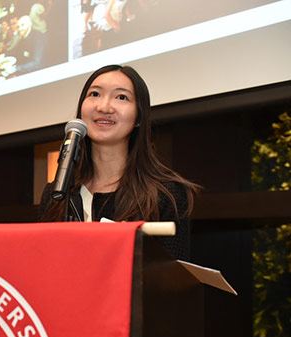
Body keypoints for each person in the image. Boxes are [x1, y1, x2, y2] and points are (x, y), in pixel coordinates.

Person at [39, 65, 198, 260]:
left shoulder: (166, 194)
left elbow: (172, 281)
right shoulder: (57, 194)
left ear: (139, 116)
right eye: (95, 94)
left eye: (121, 97)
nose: (104, 107)